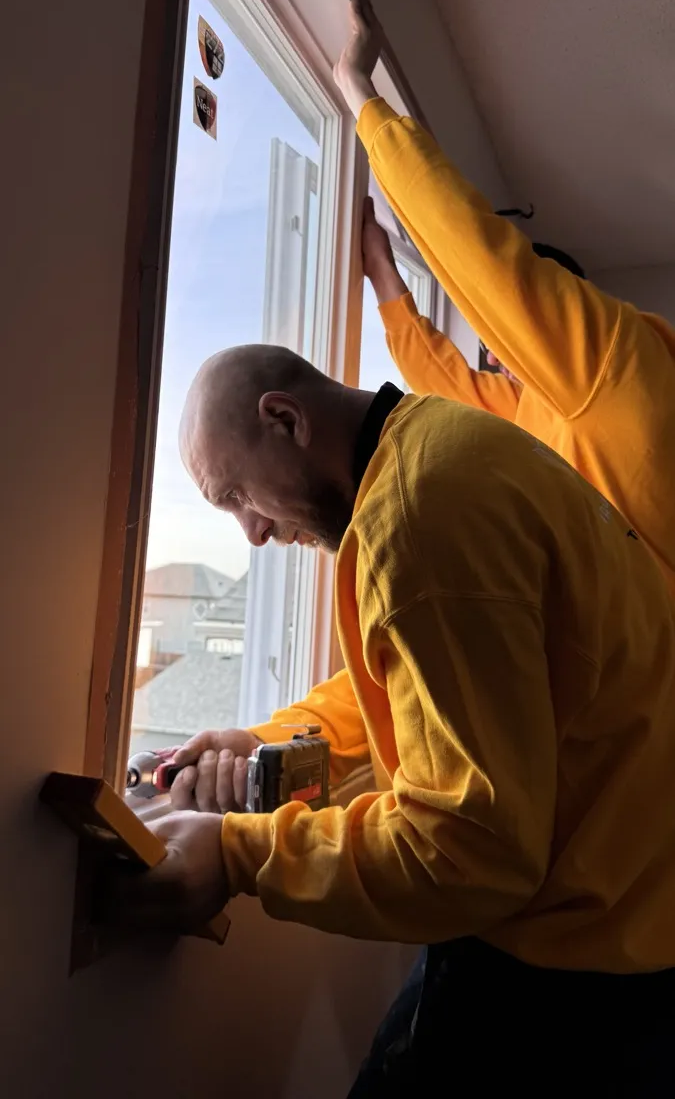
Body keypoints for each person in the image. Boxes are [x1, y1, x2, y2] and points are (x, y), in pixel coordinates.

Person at [113, 342, 675, 1092]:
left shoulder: (415, 521)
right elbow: (434, 667)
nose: (253, 534)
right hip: (635, 902)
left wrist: (237, 854)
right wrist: (264, 740)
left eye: (236, 496)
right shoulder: (443, 443)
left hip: (579, 967)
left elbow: (471, 855)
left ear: (284, 419)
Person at [341, 0, 675, 598]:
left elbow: (482, 260)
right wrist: (383, 272)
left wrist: (357, 89)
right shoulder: (539, 411)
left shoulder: (606, 367)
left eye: (504, 342)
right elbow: (444, 381)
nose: (493, 357)